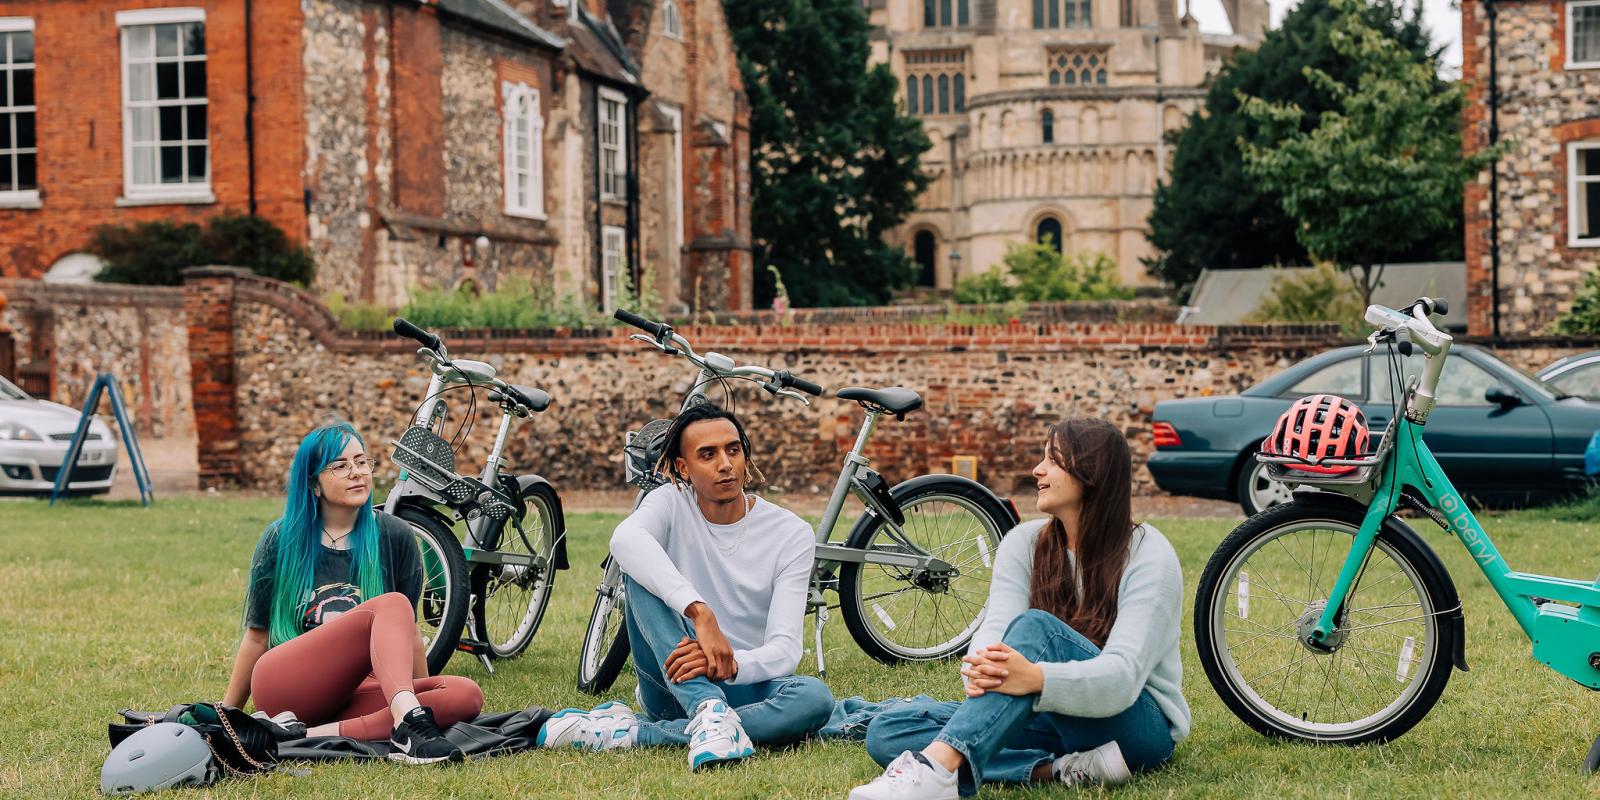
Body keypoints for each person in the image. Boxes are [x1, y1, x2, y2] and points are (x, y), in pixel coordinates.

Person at [849, 417, 1188, 799]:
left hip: (1132, 729)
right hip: (1044, 715)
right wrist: (982, 670)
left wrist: (1037, 678)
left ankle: (937, 770)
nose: (1037, 470)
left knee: (1038, 630)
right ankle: (1055, 770)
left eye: (1053, 460)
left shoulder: (1149, 554)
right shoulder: (1023, 543)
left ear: (1092, 472)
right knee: (890, 731)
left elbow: (1123, 680)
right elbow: (990, 638)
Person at [538, 402, 834, 770]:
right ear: (683, 468)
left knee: (815, 699)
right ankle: (706, 709)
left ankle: (635, 733)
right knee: (640, 569)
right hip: (672, 680)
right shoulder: (669, 503)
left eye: (733, 450)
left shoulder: (791, 533)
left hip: (742, 682)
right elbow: (625, 539)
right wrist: (699, 611)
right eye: (707, 455)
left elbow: (786, 650)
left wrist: (726, 662)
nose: (725, 464)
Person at [221, 422, 483, 765]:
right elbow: (257, 637)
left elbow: (411, 637)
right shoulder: (279, 539)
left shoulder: (396, 536)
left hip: (352, 693)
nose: (356, 473)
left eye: (362, 462)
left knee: (465, 695)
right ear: (314, 483)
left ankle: (307, 734)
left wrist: (423, 701)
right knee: (392, 605)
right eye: (341, 466)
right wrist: (226, 716)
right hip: (286, 685)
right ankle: (406, 720)